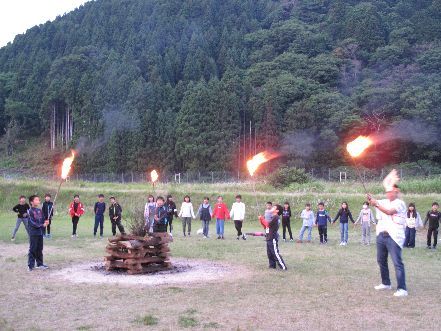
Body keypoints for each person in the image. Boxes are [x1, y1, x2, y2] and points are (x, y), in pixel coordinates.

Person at [368, 184, 408, 297]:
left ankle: (402, 289)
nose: (389, 193)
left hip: (394, 236)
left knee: (397, 263)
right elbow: (375, 201)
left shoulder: (400, 203)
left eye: (391, 191)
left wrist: (376, 204)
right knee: (381, 260)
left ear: (397, 191)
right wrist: (371, 199)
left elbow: (389, 212)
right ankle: (386, 283)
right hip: (381, 235)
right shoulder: (384, 201)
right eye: (387, 191)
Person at [259, 204, 287, 270]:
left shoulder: (276, 217)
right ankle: (272, 266)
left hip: (272, 238)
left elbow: (268, 224)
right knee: (269, 253)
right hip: (268, 237)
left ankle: (283, 266)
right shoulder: (273, 217)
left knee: (275, 253)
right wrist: (261, 220)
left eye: (274, 207)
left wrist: (262, 219)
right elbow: (265, 226)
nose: (272, 207)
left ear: (277, 210)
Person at [27, 195, 49, 271]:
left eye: (38, 200)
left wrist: (46, 222)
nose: (38, 201)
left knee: (39, 249)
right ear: (31, 202)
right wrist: (41, 225)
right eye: (36, 200)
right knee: (33, 249)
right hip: (33, 233)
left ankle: (40, 264)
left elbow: (43, 219)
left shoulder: (39, 210)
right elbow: (32, 222)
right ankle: (30, 265)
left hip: (40, 233)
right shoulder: (29, 211)